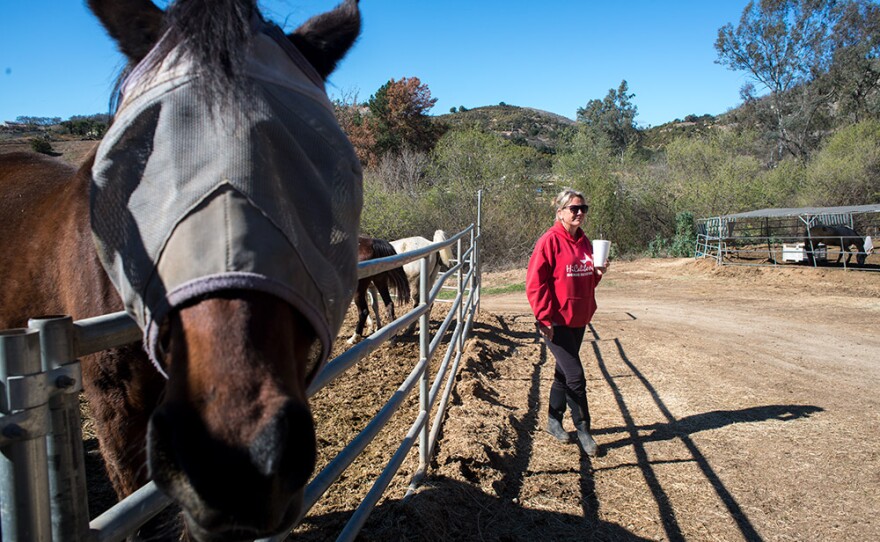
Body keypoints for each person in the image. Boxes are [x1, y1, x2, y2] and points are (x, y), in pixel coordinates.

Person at [526, 188, 608, 457]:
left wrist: (597, 273)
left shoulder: (585, 241)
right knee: (575, 375)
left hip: (579, 317)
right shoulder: (549, 241)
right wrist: (544, 317)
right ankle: (584, 430)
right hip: (557, 320)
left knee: (563, 372)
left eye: (584, 208)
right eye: (574, 208)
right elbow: (535, 284)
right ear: (559, 212)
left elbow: (585, 280)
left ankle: (553, 421)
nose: (580, 213)